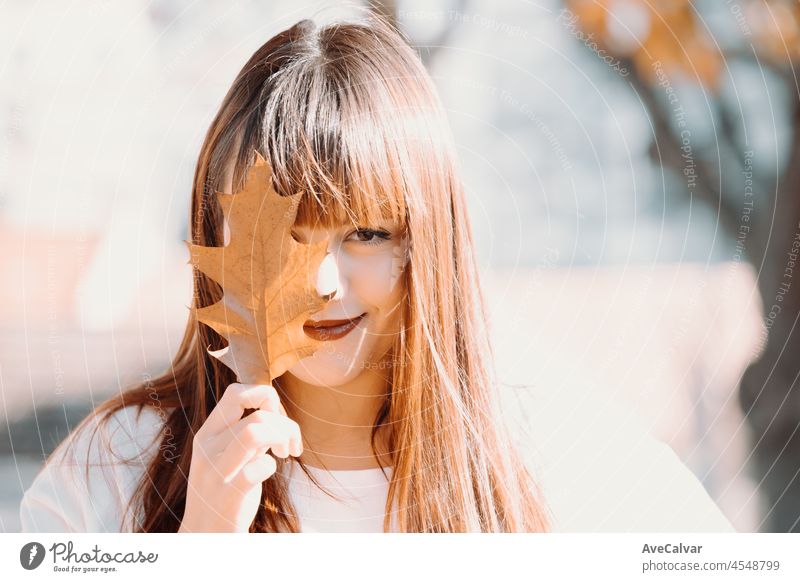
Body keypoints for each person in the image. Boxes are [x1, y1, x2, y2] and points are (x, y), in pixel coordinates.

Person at [19, 13, 735, 534]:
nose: (326, 280)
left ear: (432, 244)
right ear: (215, 238)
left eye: (366, 233)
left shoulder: (555, 455)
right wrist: (203, 540)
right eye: (286, 236)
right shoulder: (109, 473)